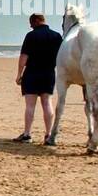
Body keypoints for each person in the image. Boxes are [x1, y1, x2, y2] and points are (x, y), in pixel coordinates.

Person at [14, 13, 62, 142]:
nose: (30, 26)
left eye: (31, 23)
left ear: (36, 21)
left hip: (32, 73)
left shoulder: (31, 36)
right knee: (47, 103)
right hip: (48, 73)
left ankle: (27, 134)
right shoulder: (56, 36)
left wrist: (19, 74)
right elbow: (61, 57)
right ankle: (48, 134)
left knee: (30, 105)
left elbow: (24, 56)